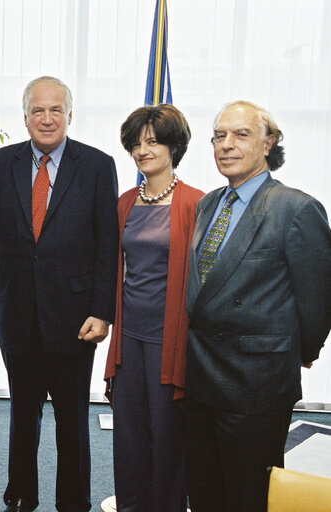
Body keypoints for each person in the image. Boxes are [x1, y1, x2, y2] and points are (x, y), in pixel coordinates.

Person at [0, 76, 119, 512]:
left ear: (70, 116)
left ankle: (73, 502)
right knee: (22, 416)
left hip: (76, 319)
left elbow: (106, 244)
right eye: (37, 110)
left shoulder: (97, 165)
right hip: (16, 314)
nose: (46, 118)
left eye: (55, 109)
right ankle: (20, 496)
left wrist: (103, 311)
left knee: (73, 420)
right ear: (24, 118)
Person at [185, 100, 331, 512]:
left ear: (269, 143)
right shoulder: (207, 204)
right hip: (201, 377)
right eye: (219, 136)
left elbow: (317, 300)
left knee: (248, 496)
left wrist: (294, 356)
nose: (226, 145)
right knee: (204, 492)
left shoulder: (296, 208)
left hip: (257, 385)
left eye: (241, 134)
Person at [103, 104, 203, 512]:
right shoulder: (125, 202)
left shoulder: (197, 203)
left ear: (173, 146)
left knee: (167, 440)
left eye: (153, 141)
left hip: (170, 341)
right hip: (129, 339)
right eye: (136, 143)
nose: (143, 150)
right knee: (128, 438)